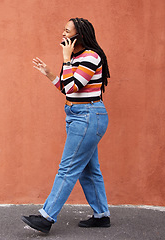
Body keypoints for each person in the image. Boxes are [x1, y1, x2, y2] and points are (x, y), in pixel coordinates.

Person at [21, 18, 111, 234]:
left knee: (68, 168)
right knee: (89, 170)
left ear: (78, 35)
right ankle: (101, 215)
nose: (62, 34)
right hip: (78, 116)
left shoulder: (91, 56)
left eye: (67, 31)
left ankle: (46, 217)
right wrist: (50, 74)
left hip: (88, 117)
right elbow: (66, 87)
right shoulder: (76, 57)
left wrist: (65, 58)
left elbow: (72, 88)